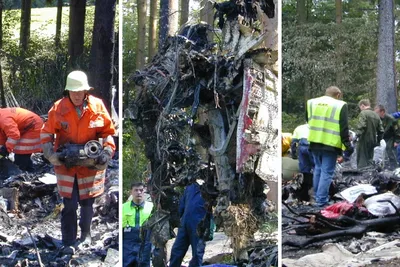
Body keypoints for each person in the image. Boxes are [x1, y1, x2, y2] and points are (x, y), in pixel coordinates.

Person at [40, 70, 116, 251]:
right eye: (73, 92)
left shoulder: (97, 107)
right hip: (66, 165)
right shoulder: (58, 108)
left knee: (87, 202)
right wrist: (51, 154)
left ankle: (85, 236)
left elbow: (108, 133)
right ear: (68, 91)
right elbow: (45, 133)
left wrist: (106, 152)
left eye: (79, 91)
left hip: (90, 165)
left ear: (86, 91)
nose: (76, 95)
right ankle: (68, 240)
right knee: (70, 203)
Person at [306, 86, 353, 207]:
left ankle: (316, 196)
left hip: (314, 142)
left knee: (318, 169)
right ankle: (321, 201)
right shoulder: (340, 105)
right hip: (330, 144)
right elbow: (344, 127)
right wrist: (347, 145)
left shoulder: (311, 103)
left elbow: (308, 120)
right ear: (338, 95)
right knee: (326, 172)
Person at [169, 181, 209, 267]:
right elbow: (181, 206)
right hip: (184, 224)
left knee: (197, 253)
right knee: (177, 250)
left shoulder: (209, 187)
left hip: (199, 225)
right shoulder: (190, 186)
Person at [122, 182, 154, 267]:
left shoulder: (151, 207)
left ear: (145, 192)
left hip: (145, 243)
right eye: (136, 190)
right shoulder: (123, 207)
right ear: (131, 192)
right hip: (128, 243)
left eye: (141, 190)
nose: (139, 192)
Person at [355, 99, 384, 168]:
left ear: (362, 105)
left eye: (360, 108)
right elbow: (381, 130)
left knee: (362, 160)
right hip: (373, 140)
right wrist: (378, 141)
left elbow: (361, 126)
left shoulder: (363, 113)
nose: (360, 109)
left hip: (363, 140)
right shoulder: (376, 115)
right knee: (370, 159)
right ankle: (370, 175)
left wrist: (356, 136)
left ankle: (362, 176)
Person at [290, 123, 313, 201]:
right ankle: (314, 192)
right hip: (312, 146)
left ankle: (304, 194)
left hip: (302, 147)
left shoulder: (299, 127)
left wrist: (293, 154)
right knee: (317, 168)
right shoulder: (316, 126)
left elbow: (293, 142)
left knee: (304, 171)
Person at [374, 105, 398, 169]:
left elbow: (397, 131)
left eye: (377, 112)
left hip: (391, 137)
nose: (376, 114)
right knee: (379, 150)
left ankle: (394, 166)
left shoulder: (391, 119)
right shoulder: (378, 119)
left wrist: (396, 141)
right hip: (383, 137)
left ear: (382, 112)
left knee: (389, 149)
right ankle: (382, 165)